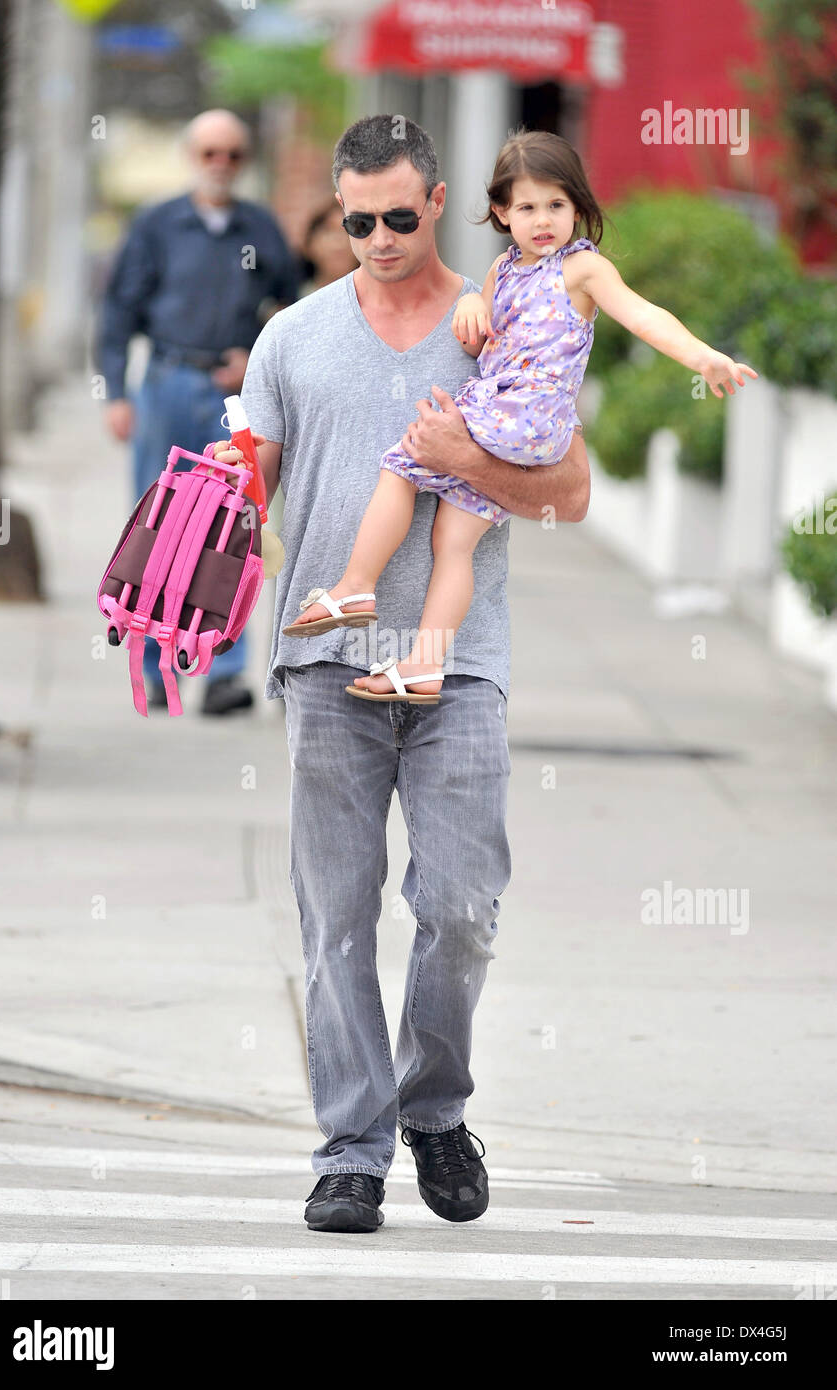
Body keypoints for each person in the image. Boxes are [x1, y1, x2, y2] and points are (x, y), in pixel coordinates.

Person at [212, 114, 589, 1235]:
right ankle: (351, 1148)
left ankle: (433, 1108)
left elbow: (568, 493)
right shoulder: (290, 337)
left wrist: (463, 458)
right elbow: (250, 490)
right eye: (353, 218)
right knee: (334, 917)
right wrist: (200, 519)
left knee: (462, 904)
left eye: (396, 215)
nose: (375, 236)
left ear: (437, 204)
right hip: (326, 660)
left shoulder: (508, 318)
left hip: (458, 663)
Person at [282, 130, 758, 700]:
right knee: (453, 544)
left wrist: (702, 357)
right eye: (527, 207)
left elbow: (641, 313)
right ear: (502, 212)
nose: (543, 220)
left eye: (557, 205)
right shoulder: (504, 270)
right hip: (515, 421)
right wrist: (472, 302)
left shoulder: (582, 268)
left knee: (401, 460)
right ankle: (425, 664)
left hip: (520, 415)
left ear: (578, 208)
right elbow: (481, 328)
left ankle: (356, 586)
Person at [98, 108, 300, 715]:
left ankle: (220, 672)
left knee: (234, 531)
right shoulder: (156, 224)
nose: (220, 164)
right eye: (210, 153)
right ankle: (159, 668)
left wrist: (255, 356)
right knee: (160, 529)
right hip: (164, 383)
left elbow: (289, 313)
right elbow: (117, 312)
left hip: (232, 397)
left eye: (233, 154)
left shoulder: (261, 228)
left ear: (244, 161)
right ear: (192, 156)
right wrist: (115, 394)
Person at [299, 199, 358, 295]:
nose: (339, 242)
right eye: (329, 232)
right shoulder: (290, 300)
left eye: (348, 231)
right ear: (310, 244)